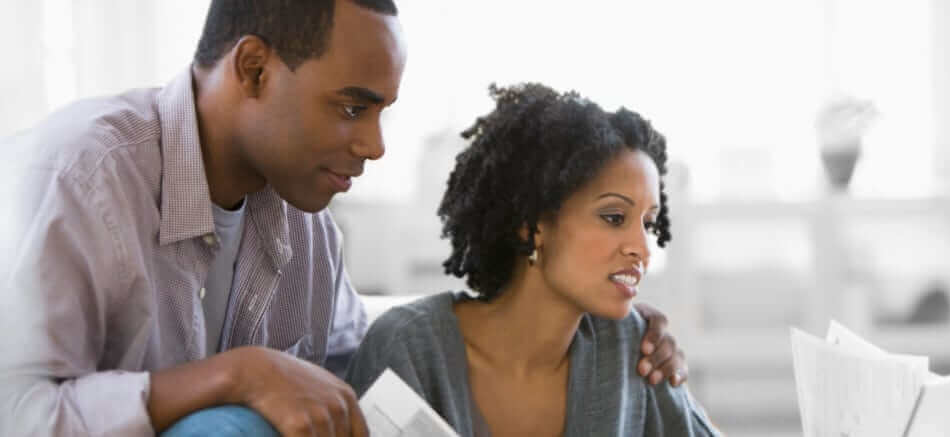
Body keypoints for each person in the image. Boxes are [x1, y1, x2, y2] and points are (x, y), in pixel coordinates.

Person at [0, 1, 690, 436]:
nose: (375, 144)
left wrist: (603, 310)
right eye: (353, 107)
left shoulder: (306, 231)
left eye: (383, 111)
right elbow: (16, 411)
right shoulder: (81, 174)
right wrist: (235, 374)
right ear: (254, 69)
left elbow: (371, 365)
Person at [345, 83, 720, 436]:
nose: (641, 247)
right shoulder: (409, 350)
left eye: (648, 223)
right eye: (613, 218)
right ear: (532, 226)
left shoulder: (632, 349)